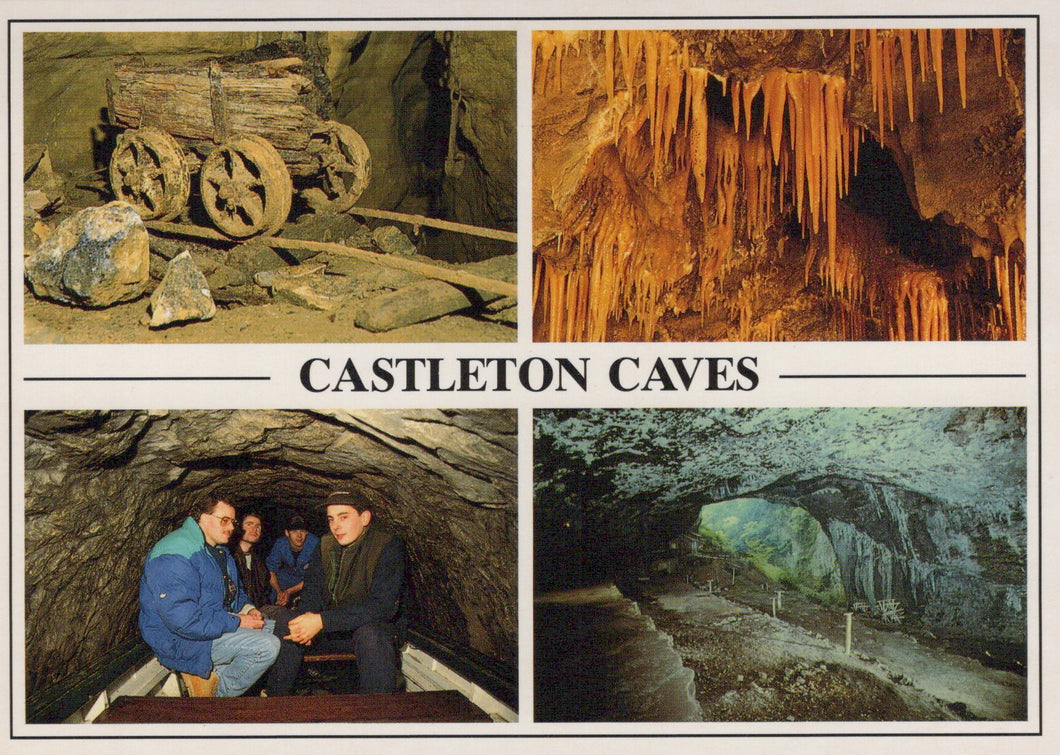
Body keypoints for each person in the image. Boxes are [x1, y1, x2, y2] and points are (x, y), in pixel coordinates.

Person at [266, 491, 405, 696]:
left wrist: (322, 621)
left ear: (364, 518)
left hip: (366, 631)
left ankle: (379, 714)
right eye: (331, 519)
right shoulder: (324, 545)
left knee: (371, 634)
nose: (336, 526)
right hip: (331, 631)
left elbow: (382, 607)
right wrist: (306, 622)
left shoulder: (387, 545)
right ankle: (275, 701)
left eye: (343, 517)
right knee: (288, 619)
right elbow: (311, 596)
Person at [139, 497, 280, 697]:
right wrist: (238, 620)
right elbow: (183, 621)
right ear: (203, 519)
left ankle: (216, 676)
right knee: (266, 646)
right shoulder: (175, 552)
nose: (231, 526)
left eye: (233, 521)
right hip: (181, 640)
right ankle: (214, 698)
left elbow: (235, 592)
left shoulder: (218, 552)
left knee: (280, 630)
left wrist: (249, 610)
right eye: (224, 520)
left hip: (209, 627)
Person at [266, 513, 319, 609]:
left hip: (306, 580)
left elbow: (315, 576)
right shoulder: (280, 544)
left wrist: (289, 591)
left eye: (302, 531)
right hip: (287, 579)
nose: (299, 535)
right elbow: (271, 570)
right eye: (294, 531)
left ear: (307, 532)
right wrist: (279, 592)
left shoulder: (314, 544)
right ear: (287, 533)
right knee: (276, 592)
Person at [230, 511, 270, 609]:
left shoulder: (259, 561)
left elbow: (263, 594)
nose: (254, 529)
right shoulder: (230, 557)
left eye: (258, 526)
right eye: (249, 525)